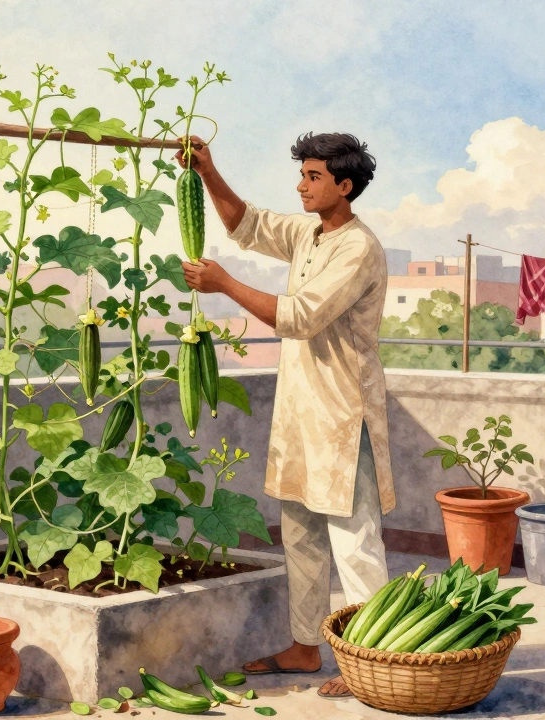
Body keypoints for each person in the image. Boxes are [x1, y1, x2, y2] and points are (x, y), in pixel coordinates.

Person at [175, 132, 394, 699]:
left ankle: (368, 658)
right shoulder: (310, 233)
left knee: (355, 540)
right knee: (299, 532)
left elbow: (298, 317)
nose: (301, 185)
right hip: (301, 410)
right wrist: (207, 171)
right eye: (302, 175)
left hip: (344, 415)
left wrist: (223, 284)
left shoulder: (357, 248)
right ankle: (304, 645)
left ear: (344, 187)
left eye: (314, 177)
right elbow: (246, 225)